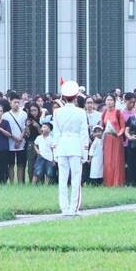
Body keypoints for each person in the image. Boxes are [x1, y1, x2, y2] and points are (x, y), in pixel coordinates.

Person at [50, 80, 89, 215]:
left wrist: (55, 150)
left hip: (62, 146)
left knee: (62, 178)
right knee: (76, 178)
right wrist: (85, 152)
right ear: (76, 96)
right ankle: (73, 208)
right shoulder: (80, 112)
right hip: (76, 145)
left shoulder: (57, 112)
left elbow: (56, 133)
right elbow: (84, 133)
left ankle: (64, 208)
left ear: (64, 96)